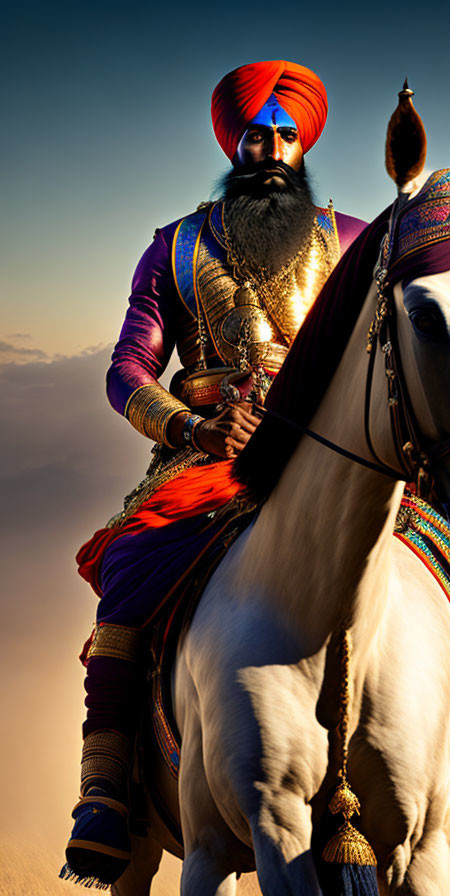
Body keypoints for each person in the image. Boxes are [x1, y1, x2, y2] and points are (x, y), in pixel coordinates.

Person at [60, 59, 366, 889]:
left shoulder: (353, 240)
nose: (271, 148)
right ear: (236, 144)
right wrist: (193, 423)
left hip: (331, 454)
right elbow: (127, 370)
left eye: (285, 136)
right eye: (257, 135)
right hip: (205, 461)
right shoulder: (175, 246)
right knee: (129, 566)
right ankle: (107, 789)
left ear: (305, 146)